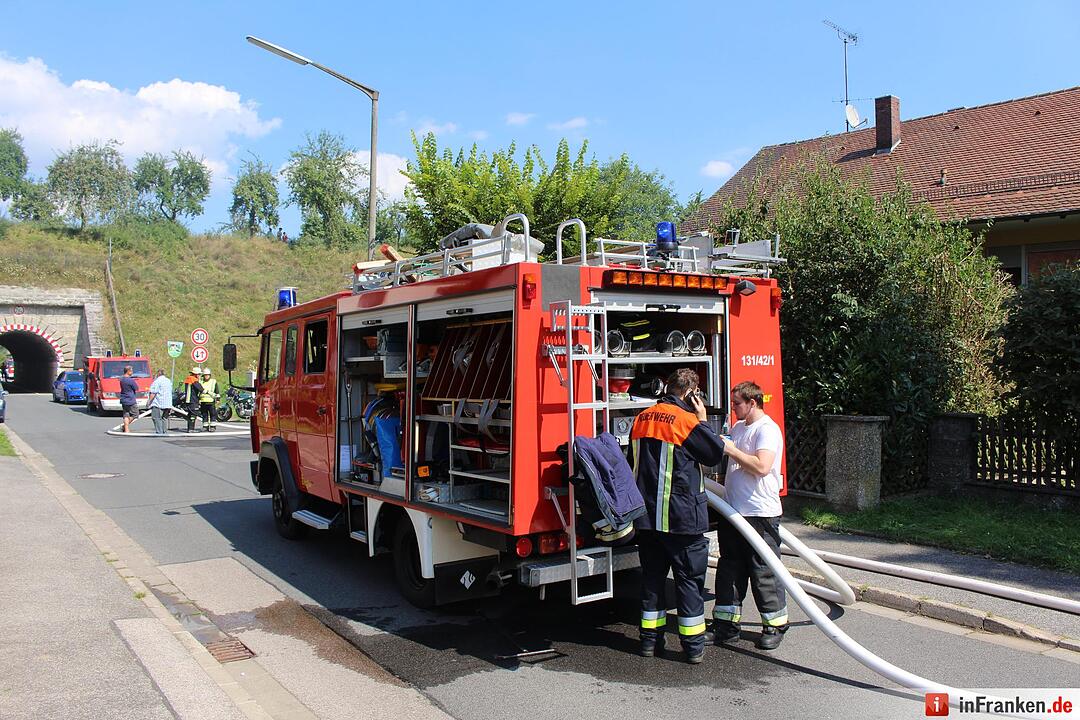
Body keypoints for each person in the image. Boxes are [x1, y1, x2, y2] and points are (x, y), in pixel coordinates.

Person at [631, 368, 725, 664]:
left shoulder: (642, 418)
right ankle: (693, 647)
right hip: (680, 519)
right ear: (691, 393)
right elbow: (714, 453)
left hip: (646, 519)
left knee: (652, 581)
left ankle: (649, 641)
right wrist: (702, 417)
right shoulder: (686, 422)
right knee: (689, 582)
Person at [713, 380, 788, 650]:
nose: (733, 409)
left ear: (752, 403)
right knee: (730, 571)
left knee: (764, 572)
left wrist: (731, 449)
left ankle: (775, 626)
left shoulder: (767, 430)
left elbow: (762, 466)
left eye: (737, 404)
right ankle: (726, 627)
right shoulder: (738, 427)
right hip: (734, 512)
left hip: (760, 514)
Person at [147, 369, 173, 436]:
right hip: (168, 403)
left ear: (158, 374)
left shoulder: (157, 382)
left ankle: (159, 432)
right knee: (164, 418)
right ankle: (164, 432)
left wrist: (149, 402)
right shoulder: (168, 381)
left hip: (159, 403)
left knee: (156, 418)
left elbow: (153, 393)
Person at [181, 367, 204, 433]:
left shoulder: (188, 379)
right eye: (199, 374)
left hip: (188, 400)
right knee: (193, 415)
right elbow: (201, 389)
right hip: (193, 400)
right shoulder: (193, 380)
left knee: (190, 414)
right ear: (196, 374)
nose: (199, 376)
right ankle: (191, 429)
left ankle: (190, 428)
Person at [118, 365, 139, 433]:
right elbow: (136, 388)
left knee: (126, 414)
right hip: (131, 399)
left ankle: (126, 429)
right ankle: (125, 426)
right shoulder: (130, 380)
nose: (132, 372)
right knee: (135, 414)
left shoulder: (121, 379)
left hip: (124, 398)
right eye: (131, 370)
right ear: (128, 371)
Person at [199, 368, 219, 433]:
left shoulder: (213, 382)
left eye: (208, 375)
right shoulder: (201, 382)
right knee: (204, 414)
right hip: (203, 401)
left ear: (210, 375)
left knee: (212, 414)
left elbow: (217, 391)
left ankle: (213, 427)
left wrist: (218, 399)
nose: (206, 376)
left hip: (211, 401)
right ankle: (205, 427)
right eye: (205, 375)